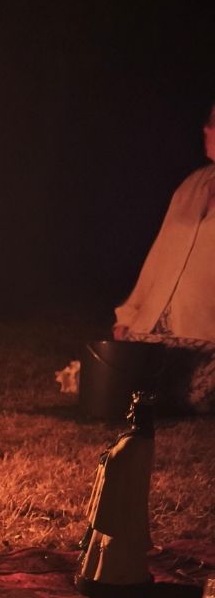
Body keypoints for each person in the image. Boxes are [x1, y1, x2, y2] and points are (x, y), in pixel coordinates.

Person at [113, 101, 215, 411]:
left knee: (191, 394)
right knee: (109, 380)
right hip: (159, 331)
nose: (207, 129)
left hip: (206, 337)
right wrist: (129, 315)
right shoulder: (192, 186)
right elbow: (160, 257)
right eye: (209, 121)